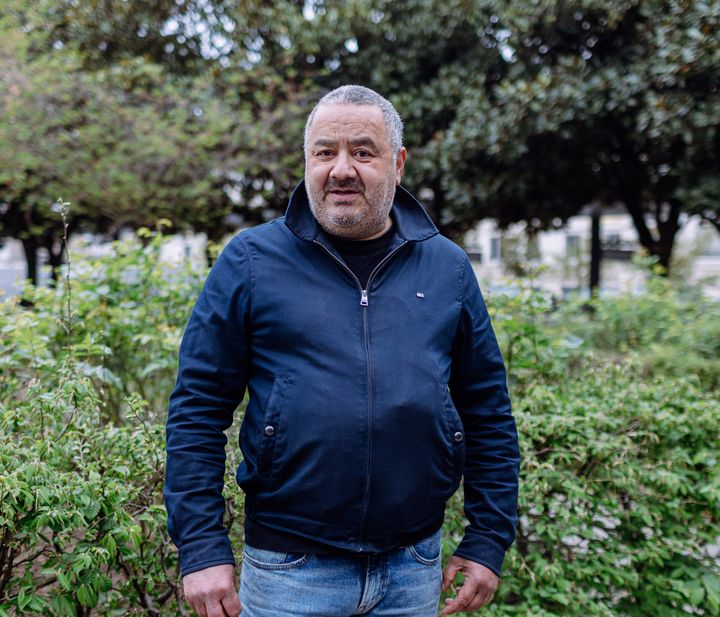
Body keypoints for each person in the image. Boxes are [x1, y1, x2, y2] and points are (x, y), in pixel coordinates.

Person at [164, 85, 520, 617]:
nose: (341, 169)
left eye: (362, 151)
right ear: (306, 160)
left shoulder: (447, 268)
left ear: (397, 163)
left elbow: (488, 410)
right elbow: (196, 409)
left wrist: (488, 538)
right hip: (290, 571)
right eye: (325, 151)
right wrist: (201, 549)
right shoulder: (251, 261)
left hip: (413, 568)